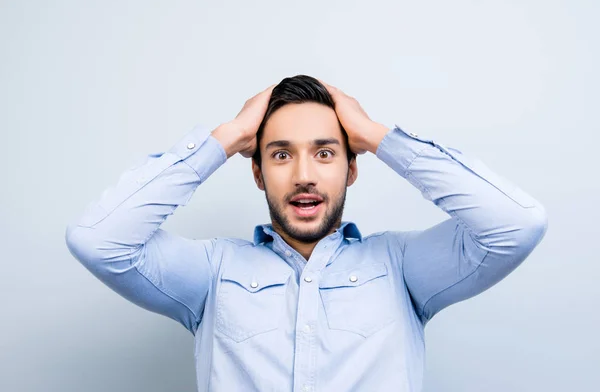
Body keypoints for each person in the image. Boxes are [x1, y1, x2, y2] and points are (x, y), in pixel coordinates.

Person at [65, 75, 548, 391]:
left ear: (351, 169)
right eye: (280, 154)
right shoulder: (212, 273)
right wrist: (225, 137)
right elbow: (98, 239)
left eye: (324, 153)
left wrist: (379, 136)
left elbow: (515, 223)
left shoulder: (402, 269)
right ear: (257, 173)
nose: (303, 175)